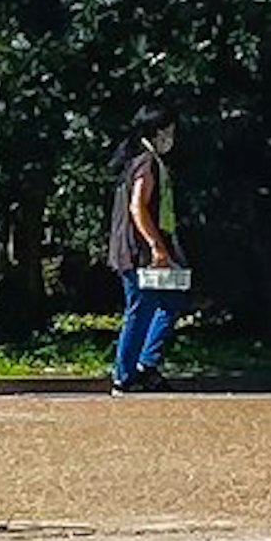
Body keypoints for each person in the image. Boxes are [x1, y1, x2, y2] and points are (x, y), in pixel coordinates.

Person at [106, 108, 186, 391]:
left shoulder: (136, 161)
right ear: (158, 131)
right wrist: (156, 246)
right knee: (140, 309)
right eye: (170, 132)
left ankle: (146, 363)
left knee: (170, 301)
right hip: (138, 249)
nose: (172, 138)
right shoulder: (146, 163)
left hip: (137, 246)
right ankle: (124, 375)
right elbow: (137, 206)